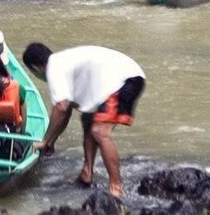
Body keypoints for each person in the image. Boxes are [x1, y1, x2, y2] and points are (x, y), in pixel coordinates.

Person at [22, 43, 145, 197]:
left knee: (99, 132)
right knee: (88, 118)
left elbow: (60, 108)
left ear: (35, 68)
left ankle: (116, 187)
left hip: (127, 80)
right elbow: (65, 111)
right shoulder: (62, 61)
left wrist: (44, 140)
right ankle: (87, 174)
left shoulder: (54, 68)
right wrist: (51, 141)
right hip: (121, 75)